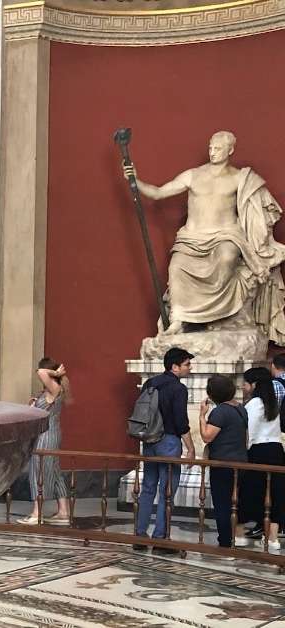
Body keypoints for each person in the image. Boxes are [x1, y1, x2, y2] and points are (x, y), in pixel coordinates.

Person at [124, 132, 285, 339]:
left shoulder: (240, 178)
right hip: (192, 238)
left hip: (225, 235)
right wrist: (135, 180)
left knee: (227, 257)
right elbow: (158, 193)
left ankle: (217, 316)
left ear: (230, 150)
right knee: (176, 267)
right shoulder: (193, 175)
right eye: (210, 148)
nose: (212, 152)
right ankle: (179, 319)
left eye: (217, 148)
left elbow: (260, 206)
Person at [134, 347, 197, 552]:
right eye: (187, 364)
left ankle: (140, 536)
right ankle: (160, 538)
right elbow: (181, 422)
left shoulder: (150, 383)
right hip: (169, 441)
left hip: (149, 440)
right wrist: (190, 447)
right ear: (175, 366)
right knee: (167, 491)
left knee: (148, 488)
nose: (190, 367)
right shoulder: (178, 389)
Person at [235, 367, 284, 549]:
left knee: (247, 493)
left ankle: (239, 534)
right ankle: (272, 538)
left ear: (254, 384)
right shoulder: (272, 403)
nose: (243, 387)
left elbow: (249, 431)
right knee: (275, 495)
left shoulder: (255, 404)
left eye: (245, 383)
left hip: (258, 452)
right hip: (276, 450)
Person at [18, 358, 71, 526]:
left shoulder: (54, 388)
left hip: (45, 436)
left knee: (38, 471)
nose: (39, 374)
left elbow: (41, 372)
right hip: (51, 434)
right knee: (54, 473)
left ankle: (37, 512)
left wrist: (54, 373)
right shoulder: (51, 390)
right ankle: (63, 512)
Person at [200, 375, 249, 549]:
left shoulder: (220, 411)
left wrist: (201, 415)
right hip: (241, 461)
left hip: (222, 463)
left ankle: (226, 542)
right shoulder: (241, 409)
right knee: (234, 502)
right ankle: (234, 537)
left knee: (222, 504)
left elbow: (207, 436)